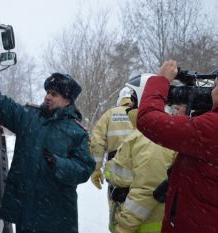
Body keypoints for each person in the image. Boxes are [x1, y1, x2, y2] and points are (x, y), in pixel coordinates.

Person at [0, 60, 95, 233]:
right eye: (47, 92)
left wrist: (59, 164)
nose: (47, 96)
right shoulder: (29, 117)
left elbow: (85, 168)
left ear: (67, 101)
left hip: (58, 216)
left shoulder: (76, 132)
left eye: (54, 94)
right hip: (27, 212)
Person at [137, 60, 218, 233]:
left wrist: (160, 80)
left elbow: (148, 120)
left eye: (216, 86)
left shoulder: (211, 129)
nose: (212, 92)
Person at [104, 73, 176, 233]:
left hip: (143, 226)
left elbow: (146, 190)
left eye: (134, 100)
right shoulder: (144, 133)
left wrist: (123, 227)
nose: (129, 105)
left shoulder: (152, 138)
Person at [90, 87, 134, 190]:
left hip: (114, 171)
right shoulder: (142, 114)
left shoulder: (110, 114)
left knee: (115, 201)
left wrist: (96, 169)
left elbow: (97, 143)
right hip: (139, 171)